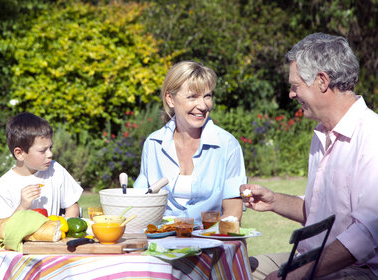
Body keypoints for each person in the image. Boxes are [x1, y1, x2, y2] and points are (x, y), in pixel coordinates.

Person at [242, 33, 378, 280]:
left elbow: (366, 234)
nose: (292, 95)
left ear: (322, 81)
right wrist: (273, 201)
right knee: (238, 268)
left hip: (359, 269)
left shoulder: (372, 136)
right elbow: (320, 210)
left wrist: (294, 276)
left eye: (295, 86)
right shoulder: (322, 134)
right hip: (311, 259)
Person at [134, 61, 247, 223]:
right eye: (192, 96)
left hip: (210, 240)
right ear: (170, 99)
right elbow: (139, 201)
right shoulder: (153, 144)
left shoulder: (227, 145)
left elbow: (232, 214)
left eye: (207, 96)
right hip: (159, 241)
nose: (202, 105)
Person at [0, 112, 82, 223]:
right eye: (42, 150)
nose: (50, 154)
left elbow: (72, 206)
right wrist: (22, 206)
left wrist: (64, 227)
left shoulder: (56, 170)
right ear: (20, 153)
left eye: (51, 148)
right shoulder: (2, 188)